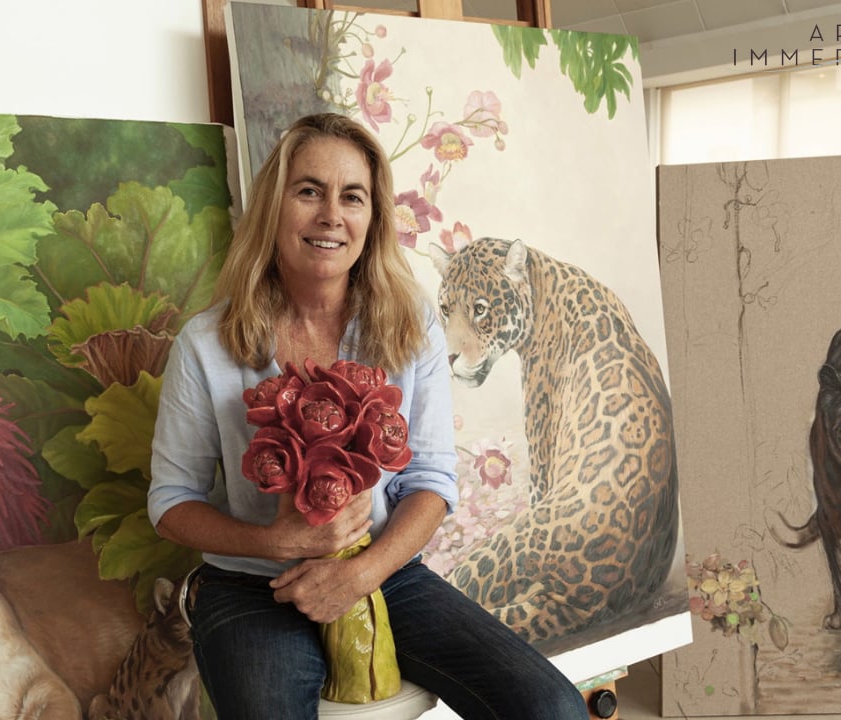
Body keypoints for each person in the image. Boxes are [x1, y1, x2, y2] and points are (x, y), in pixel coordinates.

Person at [148, 112, 588, 720]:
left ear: (372, 219)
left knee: (553, 709)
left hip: (383, 569)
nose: (332, 215)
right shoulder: (204, 344)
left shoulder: (413, 326)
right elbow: (171, 504)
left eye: (352, 197)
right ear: (275, 208)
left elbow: (431, 481)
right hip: (250, 585)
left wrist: (361, 575)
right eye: (309, 191)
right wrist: (273, 543)